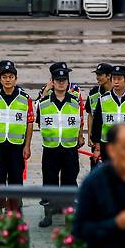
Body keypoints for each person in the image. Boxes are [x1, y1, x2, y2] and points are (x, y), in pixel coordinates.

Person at [0, 60, 34, 213]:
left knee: (16, 179)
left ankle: (14, 209)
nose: (7, 79)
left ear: (15, 79)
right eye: (4, 76)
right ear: (0, 78)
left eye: (11, 76)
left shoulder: (25, 98)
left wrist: (27, 145)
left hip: (17, 146)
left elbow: (29, 123)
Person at [36, 67, 85, 227]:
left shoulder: (75, 102)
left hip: (69, 148)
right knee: (49, 182)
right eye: (58, 81)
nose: (61, 83)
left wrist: (79, 137)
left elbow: (79, 123)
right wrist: (45, 92)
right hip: (50, 148)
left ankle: (69, 215)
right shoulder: (44, 102)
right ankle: (48, 215)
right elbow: (35, 117)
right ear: (53, 82)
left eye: (64, 81)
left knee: (69, 181)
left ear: (68, 82)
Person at [91, 65, 125, 162]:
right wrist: (97, 148)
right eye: (114, 79)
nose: (116, 82)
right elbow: (97, 123)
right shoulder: (103, 99)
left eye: (119, 79)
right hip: (108, 145)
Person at [86, 63, 113, 169]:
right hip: (97, 140)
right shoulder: (93, 94)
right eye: (97, 74)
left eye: (100, 75)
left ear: (109, 76)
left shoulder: (118, 93)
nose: (97, 77)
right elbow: (90, 115)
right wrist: (89, 136)